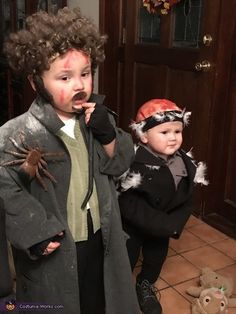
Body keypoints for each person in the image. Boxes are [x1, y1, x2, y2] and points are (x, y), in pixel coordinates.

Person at [0, 7, 140, 314]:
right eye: (65, 77)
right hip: (56, 246)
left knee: (99, 300)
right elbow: (7, 190)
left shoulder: (97, 120)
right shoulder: (16, 134)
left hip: (100, 239)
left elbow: (122, 164)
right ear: (36, 82)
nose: (80, 85)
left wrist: (109, 137)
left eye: (85, 74)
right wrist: (36, 232)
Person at [117, 99, 209, 314]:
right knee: (125, 259)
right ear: (144, 136)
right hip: (133, 227)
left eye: (177, 131)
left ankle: (145, 285)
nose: (173, 138)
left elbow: (187, 197)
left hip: (164, 226)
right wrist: (159, 223)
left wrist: (174, 224)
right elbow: (127, 202)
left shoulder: (185, 163)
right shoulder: (134, 162)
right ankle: (120, 291)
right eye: (165, 132)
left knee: (156, 257)